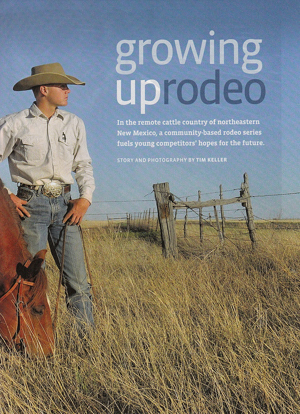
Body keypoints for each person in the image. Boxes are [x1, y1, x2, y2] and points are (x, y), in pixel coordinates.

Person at [0, 62, 95, 333]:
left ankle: (84, 343)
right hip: (30, 207)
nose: (68, 91)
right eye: (62, 86)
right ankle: (32, 341)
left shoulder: (75, 124)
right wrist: (7, 197)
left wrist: (85, 198)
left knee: (78, 281)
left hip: (67, 206)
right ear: (43, 89)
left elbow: (84, 165)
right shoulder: (15, 123)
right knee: (28, 281)